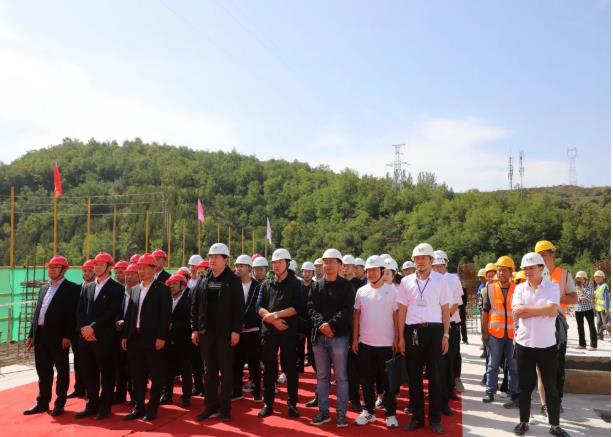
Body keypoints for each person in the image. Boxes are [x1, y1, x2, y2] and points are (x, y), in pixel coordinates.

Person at [511, 252, 569, 437]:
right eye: (525, 268)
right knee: (524, 387)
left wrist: (526, 310)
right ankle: (523, 422)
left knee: (551, 387)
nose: (528, 271)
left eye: (531, 268)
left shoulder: (552, 287)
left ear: (541, 268)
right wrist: (541, 310)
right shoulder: (519, 289)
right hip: (524, 345)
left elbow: (552, 310)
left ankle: (555, 425)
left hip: (547, 346)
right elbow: (517, 312)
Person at [396, 243, 450, 434]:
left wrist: (446, 334)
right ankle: (417, 418)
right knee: (414, 377)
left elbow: (445, 309)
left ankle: (435, 419)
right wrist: (401, 337)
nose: (419, 261)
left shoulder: (441, 280)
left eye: (423, 258)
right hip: (412, 332)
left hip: (435, 331)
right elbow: (402, 310)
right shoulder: (406, 281)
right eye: (417, 258)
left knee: (435, 377)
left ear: (431, 260)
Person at [191, 243, 244, 422]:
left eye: (216, 257)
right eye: (210, 257)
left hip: (225, 334)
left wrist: (236, 330)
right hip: (206, 333)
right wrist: (194, 329)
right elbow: (195, 306)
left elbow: (239, 308)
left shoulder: (233, 280)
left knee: (226, 371)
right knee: (209, 372)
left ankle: (225, 409)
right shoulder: (203, 279)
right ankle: (210, 406)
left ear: (225, 260)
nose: (212, 260)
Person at [23, 255, 80, 417]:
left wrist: (68, 335)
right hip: (41, 335)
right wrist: (32, 334)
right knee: (43, 370)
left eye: (56, 267)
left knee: (62, 371)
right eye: (50, 267)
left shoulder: (72, 289)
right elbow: (38, 313)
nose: (52, 270)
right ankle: (42, 402)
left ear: (64, 270)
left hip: (59, 336)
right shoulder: (44, 288)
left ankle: (59, 403)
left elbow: (72, 315)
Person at [121, 254, 172, 421]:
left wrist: (161, 337)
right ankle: (139, 407)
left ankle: (152, 408)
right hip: (134, 338)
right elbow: (129, 315)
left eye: (144, 268)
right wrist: (125, 335)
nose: (141, 271)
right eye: (139, 268)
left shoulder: (163, 289)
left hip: (153, 339)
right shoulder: (134, 289)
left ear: (153, 269)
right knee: (137, 375)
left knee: (156, 375)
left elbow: (165, 316)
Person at [307, 248, 354, 428]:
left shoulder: (346, 286)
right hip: (319, 337)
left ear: (340, 265)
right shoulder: (316, 285)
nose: (327, 265)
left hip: (339, 337)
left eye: (332, 262)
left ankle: (341, 414)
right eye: (325, 262)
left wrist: (331, 326)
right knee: (322, 377)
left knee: (341, 377)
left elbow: (347, 310)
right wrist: (321, 324)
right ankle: (323, 412)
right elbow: (310, 308)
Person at [75, 252, 124, 420]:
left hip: (104, 338)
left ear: (109, 267)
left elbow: (112, 312)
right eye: (95, 264)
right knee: (89, 372)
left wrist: (93, 328)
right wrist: (84, 328)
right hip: (85, 337)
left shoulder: (117, 288)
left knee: (107, 374)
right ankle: (92, 405)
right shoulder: (87, 287)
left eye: (101, 265)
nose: (96, 267)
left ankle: (105, 407)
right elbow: (80, 310)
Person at [352, 255, 399, 428]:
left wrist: (398, 338)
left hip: (387, 344)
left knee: (388, 382)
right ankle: (368, 412)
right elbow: (357, 316)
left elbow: (396, 316)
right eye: (368, 270)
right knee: (366, 380)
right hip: (365, 344)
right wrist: (355, 338)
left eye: (374, 270)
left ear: (381, 271)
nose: (371, 273)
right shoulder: (361, 291)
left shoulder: (392, 291)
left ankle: (391, 413)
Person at [256, 248, 301, 419]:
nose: (276, 265)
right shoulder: (266, 284)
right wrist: (273, 319)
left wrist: (275, 315)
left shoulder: (295, 284)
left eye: (280, 262)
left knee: (290, 369)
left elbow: (297, 307)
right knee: (269, 369)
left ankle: (292, 404)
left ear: (287, 263)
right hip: (269, 332)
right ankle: (268, 403)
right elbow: (259, 306)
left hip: (288, 332)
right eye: (274, 262)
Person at [535, 240, 577, 410]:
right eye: (539, 256)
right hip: (538, 324)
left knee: (558, 366)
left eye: (544, 255)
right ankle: (544, 404)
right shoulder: (533, 274)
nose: (542, 258)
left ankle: (556, 402)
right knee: (541, 367)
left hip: (558, 325)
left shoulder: (564, 274)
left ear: (552, 254)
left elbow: (573, 298)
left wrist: (554, 298)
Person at [481, 256, 519, 409]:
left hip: (513, 335)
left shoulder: (517, 289)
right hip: (494, 334)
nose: (501, 273)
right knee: (493, 364)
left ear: (511, 272)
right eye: (499, 270)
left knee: (514, 366)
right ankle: (490, 391)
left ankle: (513, 393)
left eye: (504, 270)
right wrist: (485, 333)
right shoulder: (489, 289)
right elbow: (485, 312)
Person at [432, 252, 463, 415]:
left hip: (449, 323)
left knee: (449, 359)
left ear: (445, 265)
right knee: (436, 362)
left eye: (440, 265)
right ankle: (437, 392)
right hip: (434, 325)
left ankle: (449, 390)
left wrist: (445, 317)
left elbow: (457, 302)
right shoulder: (429, 280)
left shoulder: (452, 279)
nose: (438, 268)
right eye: (435, 266)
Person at [232, 254, 262, 401]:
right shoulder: (232, 285)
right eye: (237, 265)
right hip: (236, 331)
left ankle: (256, 392)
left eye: (242, 266)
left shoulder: (258, 286)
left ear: (250, 268)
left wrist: (245, 322)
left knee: (254, 363)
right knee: (236, 363)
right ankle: (237, 391)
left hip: (252, 330)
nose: (238, 268)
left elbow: (257, 307)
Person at [159, 273, 193, 407]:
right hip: (167, 340)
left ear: (182, 285)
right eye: (170, 284)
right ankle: (167, 394)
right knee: (167, 368)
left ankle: (186, 396)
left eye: (175, 284)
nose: (172, 286)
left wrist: (174, 326)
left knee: (185, 369)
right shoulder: (166, 299)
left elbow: (191, 320)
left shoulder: (189, 299)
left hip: (184, 340)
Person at [67, 259, 96, 399]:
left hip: (92, 332)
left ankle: (91, 390)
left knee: (92, 363)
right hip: (77, 332)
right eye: (85, 271)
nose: (87, 273)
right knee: (78, 361)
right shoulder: (75, 289)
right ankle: (79, 388)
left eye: (90, 271)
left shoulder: (97, 288)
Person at [114, 262, 139, 405]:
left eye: (132, 275)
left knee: (134, 368)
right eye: (127, 274)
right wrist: (117, 320)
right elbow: (116, 309)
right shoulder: (120, 291)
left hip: (134, 335)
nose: (128, 277)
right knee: (119, 366)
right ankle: (120, 394)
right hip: (119, 334)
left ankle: (135, 397)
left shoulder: (141, 292)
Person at [574, 271, 598, 350]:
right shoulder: (575, 287)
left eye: (581, 278)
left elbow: (588, 298)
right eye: (578, 278)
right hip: (578, 309)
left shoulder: (589, 287)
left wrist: (581, 290)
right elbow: (575, 298)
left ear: (585, 279)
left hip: (588, 309)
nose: (579, 280)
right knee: (580, 327)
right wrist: (580, 297)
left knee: (591, 326)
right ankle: (582, 344)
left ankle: (593, 345)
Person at [594, 270, 609, 340]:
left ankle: (601, 333)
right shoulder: (597, 286)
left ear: (603, 278)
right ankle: (600, 336)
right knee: (598, 322)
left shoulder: (604, 286)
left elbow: (607, 298)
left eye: (598, 277)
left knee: (605, 323)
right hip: (598, 308)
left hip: (603, 308)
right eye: (595, 277)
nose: (596, 279)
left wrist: (606, 308)